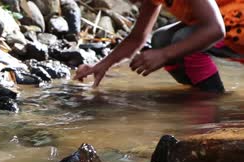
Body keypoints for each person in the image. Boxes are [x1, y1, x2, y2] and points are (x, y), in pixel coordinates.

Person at [74, 0, 244, 93]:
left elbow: (216, 30)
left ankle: (213, 98)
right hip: (229, 31)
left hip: (237, 33)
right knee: (161, 38)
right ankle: (196, 92)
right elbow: (136, 38)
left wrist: (164, 55)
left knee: (181, 40)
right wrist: (102, 65)